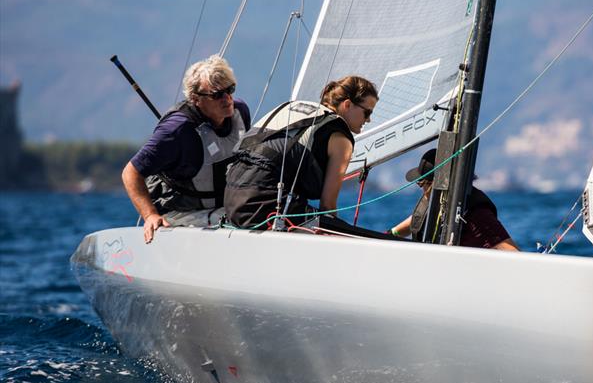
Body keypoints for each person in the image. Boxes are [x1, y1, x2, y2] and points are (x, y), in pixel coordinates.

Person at [121, 55, 251, 243]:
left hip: (223, 211)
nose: (227, 99)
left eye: (230, 90)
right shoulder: (176, 130)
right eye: (216, 94)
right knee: (242, 220)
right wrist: (150, 216)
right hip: (182, 215)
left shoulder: (240, 111)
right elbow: (130, 173)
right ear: (196, 99)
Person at [224, 75, 378, 229]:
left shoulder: (292, 107)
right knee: (334, 227)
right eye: (367, 113)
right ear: (347, 105)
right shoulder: (341, 139)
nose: (369, 120)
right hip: (263, 205)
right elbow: (328, 206)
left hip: (231, 199)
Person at [389, 148, 519, 251]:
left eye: (421, 184)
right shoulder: (439, 201)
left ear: (438, 184)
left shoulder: (476, 214)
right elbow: (419, 218)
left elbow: (512, 252)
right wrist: (391, 233)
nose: (421, 190)